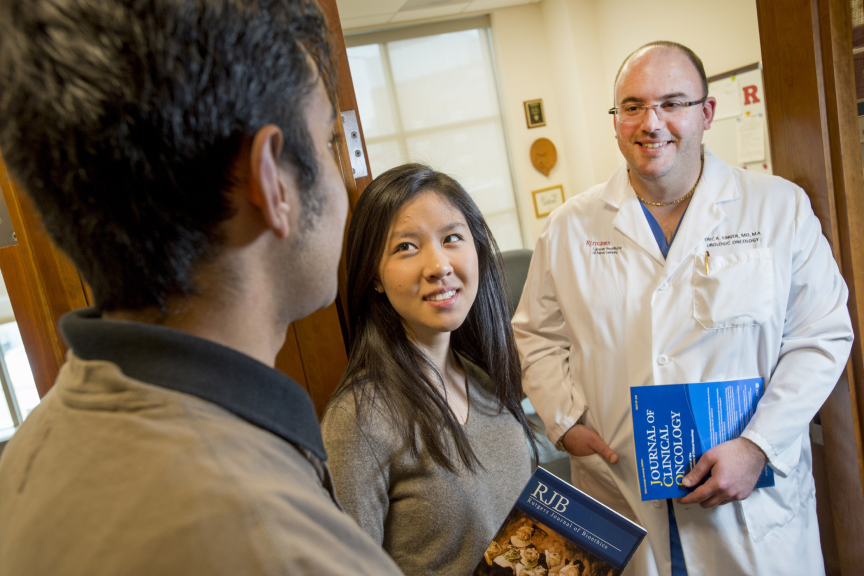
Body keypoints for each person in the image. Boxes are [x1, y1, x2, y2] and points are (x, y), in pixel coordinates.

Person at [0, 1, 403, 575]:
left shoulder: (30, 453)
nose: (342, 179)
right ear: (273, 183)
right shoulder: (279, 546)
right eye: (331, 139)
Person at [512, 41, 853, 576]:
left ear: (706, 113)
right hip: (619, 488)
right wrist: (564, 421)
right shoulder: (570, 227)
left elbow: (822, 335)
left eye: (673, 103)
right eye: (633, 107)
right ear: (617, 120)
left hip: (749, 511)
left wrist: (759, 446)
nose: (652, 122)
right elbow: (535, 334)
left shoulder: (777, 207)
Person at [321, 164, 538, 576]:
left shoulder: (489, 382)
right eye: (406, 247)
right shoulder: (360, 420)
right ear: (375, 277)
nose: (438, 265)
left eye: (452, 238)